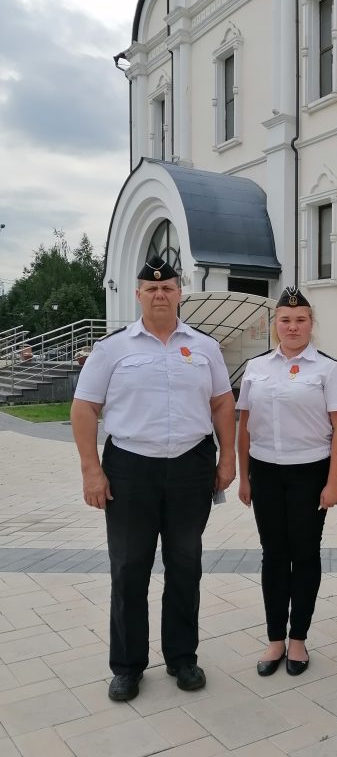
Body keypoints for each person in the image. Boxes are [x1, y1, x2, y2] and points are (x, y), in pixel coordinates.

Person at [71, 257, 236, 701]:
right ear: (139, 294)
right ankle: (127, 666)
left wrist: (228, 459)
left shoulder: (205, 347)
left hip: (190, 466)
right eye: (151, 288)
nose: (160, 294)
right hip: (130, 468)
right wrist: (92, 470)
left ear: (180, 293)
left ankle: (183, 658)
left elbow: (223, 403)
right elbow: (84, 408)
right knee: (128, 569)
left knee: (186, 565)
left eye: (167, 288)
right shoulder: (112, 348)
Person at [237, 287, 337, 677]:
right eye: (285, 320)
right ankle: (274, 639)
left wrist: (333, 482)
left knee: (304, 554)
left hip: (309, 472)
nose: (292, 326)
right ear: (275, 325)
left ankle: (298, 638)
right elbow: (244, 427)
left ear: (311, 324)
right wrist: (244, 477)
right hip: (265, 471)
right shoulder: (256, 368)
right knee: (273, 554)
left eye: (301, 319)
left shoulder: (328, 369)